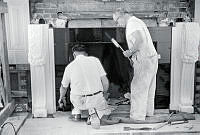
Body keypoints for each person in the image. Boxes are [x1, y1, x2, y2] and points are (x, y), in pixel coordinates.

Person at [113, 8, 159, 121]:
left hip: (144, 60)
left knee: (138, 88)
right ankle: (148, 113)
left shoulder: (132, 23)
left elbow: (140, 39)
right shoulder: (137, 21)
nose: (118, 24)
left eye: (117, 20)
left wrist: (130, 51)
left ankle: (137, 117)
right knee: (148, 87)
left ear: (123, 15)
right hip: (151, 58)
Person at [58, 44, 116, 128]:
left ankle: (77, 111)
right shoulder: (95, 60)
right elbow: (105, 82)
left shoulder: (69, 67)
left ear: (74, 55)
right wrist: (105, 94)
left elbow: (64, 87)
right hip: (96, 99)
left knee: (75, 96)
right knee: (106, 110)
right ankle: (94, 112)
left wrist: (61, 98)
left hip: (78, 101)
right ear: (86, 54)